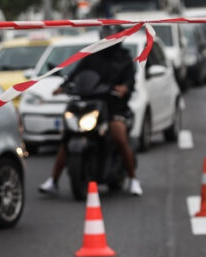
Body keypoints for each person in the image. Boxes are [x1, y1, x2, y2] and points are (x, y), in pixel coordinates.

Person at [39, 25, 142, 196]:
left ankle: (133, 179)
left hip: (113, 107)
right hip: (88, 105)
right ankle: (53, 180)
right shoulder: (92, 55)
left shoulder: (124, 59)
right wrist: (64, 86)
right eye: (107, 35)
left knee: (119, 136)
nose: (109, 39)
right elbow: (76, 74)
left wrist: (124, 88)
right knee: (68, 137)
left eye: (112, 36)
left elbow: (130, 82)